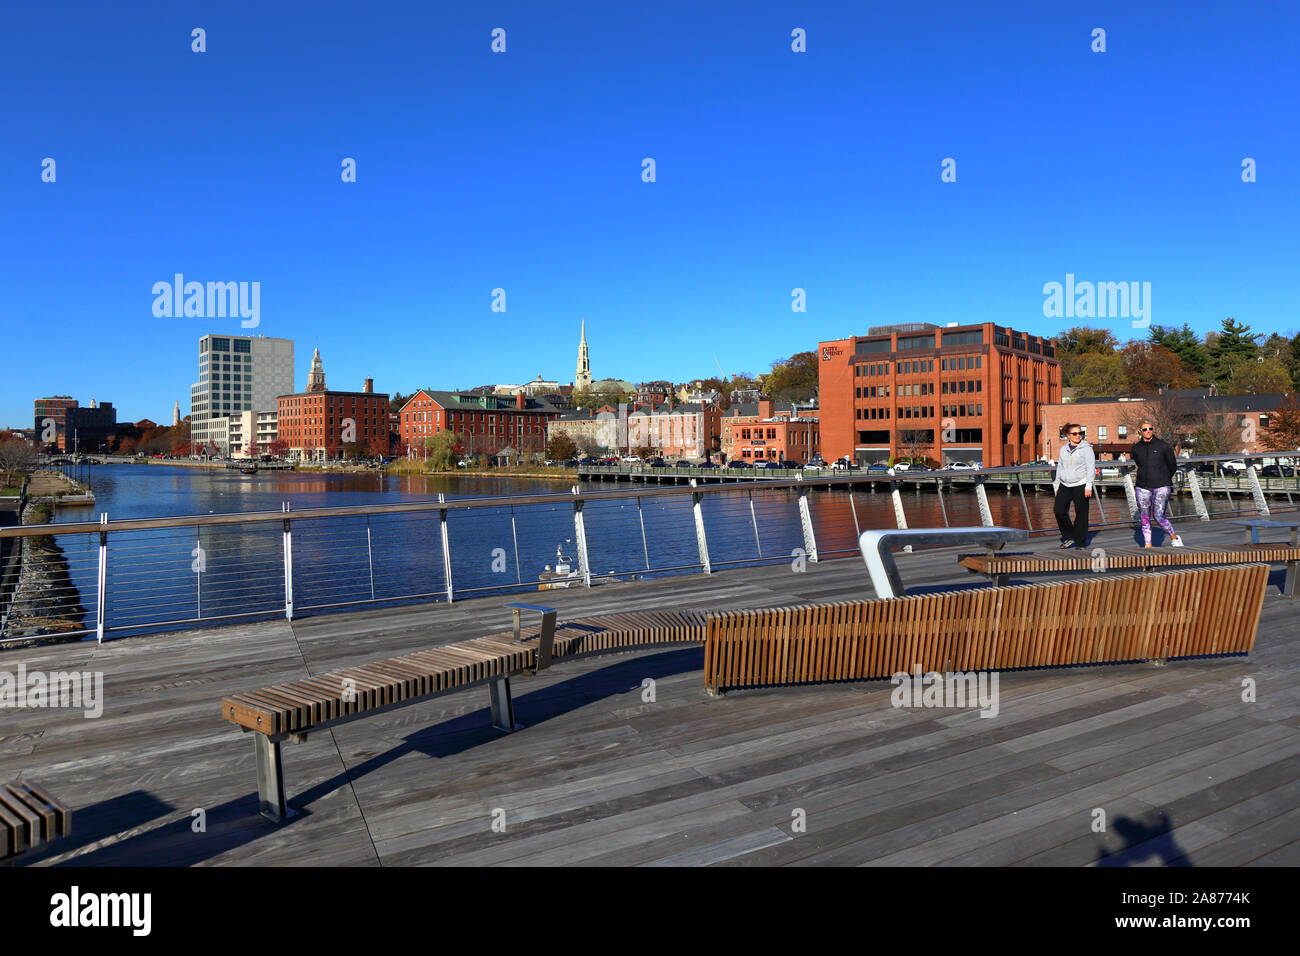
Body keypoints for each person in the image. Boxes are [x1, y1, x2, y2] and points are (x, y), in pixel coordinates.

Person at [1130, 420, 1183, 548]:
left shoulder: (1163, 446)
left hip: (1162, 485)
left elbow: (1172, 466)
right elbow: (1138, 463)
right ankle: (1148, 544)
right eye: (1144, 429)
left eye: (1150, 428)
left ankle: (1174, 537)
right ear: (1140, 432)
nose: (1148, 431)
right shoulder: (1136, 448)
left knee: (1159, 516)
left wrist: (1163, 478)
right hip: (1142, 486)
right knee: (1144, 516)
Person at [1053, 424, 1094, 548]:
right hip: (1065, 484)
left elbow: (1090, 467)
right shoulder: (1063, 449)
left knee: (1081, 514)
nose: (1078, 436)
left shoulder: (1086, 448)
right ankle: (1069, 536)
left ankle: (1080, 542)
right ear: (1068, 435)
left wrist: (1089, 485)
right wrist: (1057, 484)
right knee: (1059, 510)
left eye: (1080, 433)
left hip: (1081, 484)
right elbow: (1060, 466)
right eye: (1075, 433)